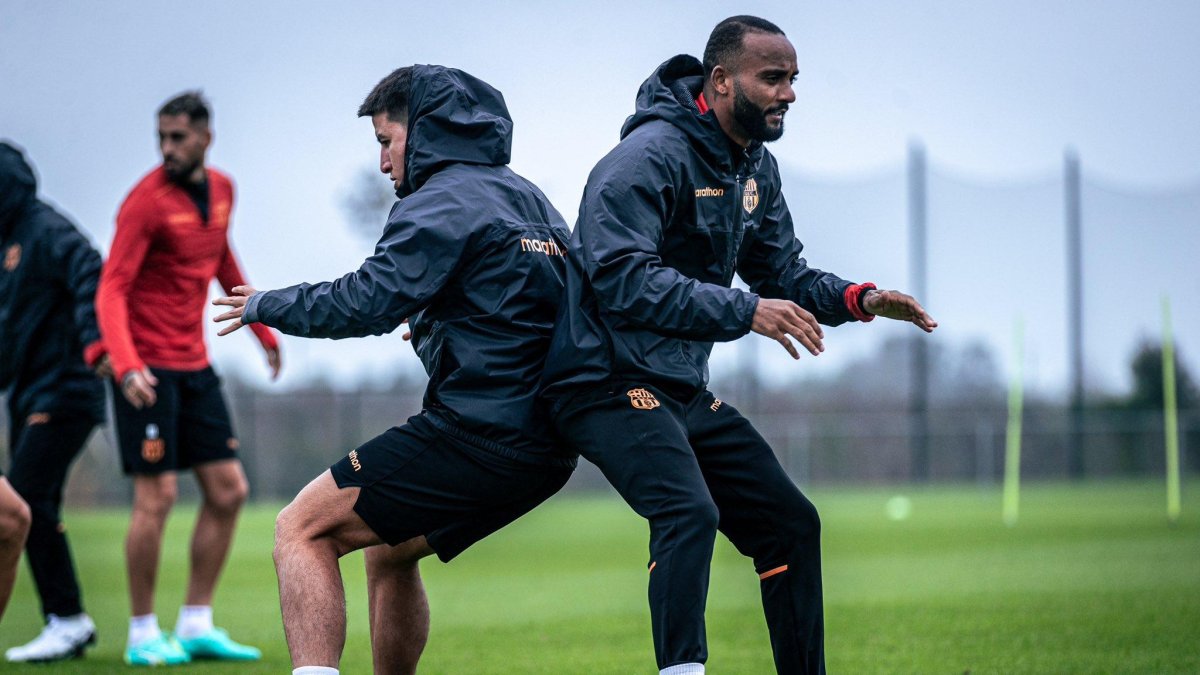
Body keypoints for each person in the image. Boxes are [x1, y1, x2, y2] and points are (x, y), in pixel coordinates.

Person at [539, 16, 938, 675]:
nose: (789, 94)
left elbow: (784, 276)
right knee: (688, 510)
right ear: (722, 82)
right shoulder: (644, 161)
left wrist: (857, 299)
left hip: (676, 385)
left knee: (790, 523)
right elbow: (621, 278)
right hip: (601, 378)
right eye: (773, 78)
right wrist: (744, 309)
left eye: (793, 79)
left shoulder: (754, 168)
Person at [213, 64, 575, 675]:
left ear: (426, 130)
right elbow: (531, 312)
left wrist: (262, 304)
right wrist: (439, 325)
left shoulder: (440, 201)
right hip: (549, 448)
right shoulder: (526, 195)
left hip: (481, 435)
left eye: (386, 141)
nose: (383, 163)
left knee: (300, 530)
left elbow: (364, 301)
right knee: (388, 551)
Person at [95, 92, 282, 666]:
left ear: (206, 137)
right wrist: (125, 365)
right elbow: (112, 288)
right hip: (145, 370)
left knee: (229, 492)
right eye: (161, 138)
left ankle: (197, 622)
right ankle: (142, 632)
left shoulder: (222, 189)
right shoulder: (144, 203)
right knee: (159, 496)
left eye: (178, 137)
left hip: (195, 364)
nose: (167, 148)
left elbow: (219, 257)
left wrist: (263, 325)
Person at [0, 141, 106, 662]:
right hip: (27, 393)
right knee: (31, 504)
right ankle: (67, 620)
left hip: (66, 388)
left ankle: (66, 619)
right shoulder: (7, 241)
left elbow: (92, 270)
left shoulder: (44, 229)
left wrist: (94, 344)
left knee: (19, 504)